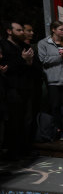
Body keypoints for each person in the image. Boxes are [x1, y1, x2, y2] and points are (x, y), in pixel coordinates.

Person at [0, 21, 38, 159]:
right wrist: (22, 60)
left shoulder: (25, 46)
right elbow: (5, 67)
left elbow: (35, 67)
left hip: (26, 87)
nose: (22, 32)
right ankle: (13, 151)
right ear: (9, 31)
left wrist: (28, 62)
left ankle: (25, 149)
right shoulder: (3, 46)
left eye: (23, 30)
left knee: (26, 120)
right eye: (19, 30)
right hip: (11, 89)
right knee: (13, 121)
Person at [38, 20, 63, 140]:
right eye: (61, 29)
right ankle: (57, 130)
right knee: (55, 106)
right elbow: (43, 61)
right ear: (53, 30)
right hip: (53, 81)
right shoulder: (44, 43)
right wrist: (59, 56)